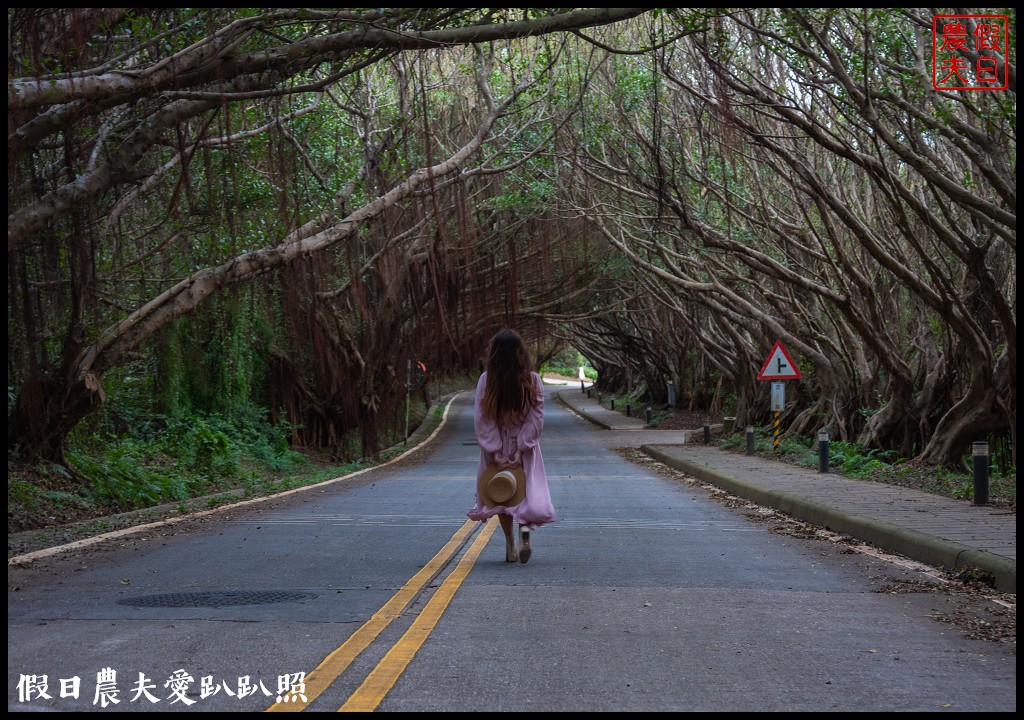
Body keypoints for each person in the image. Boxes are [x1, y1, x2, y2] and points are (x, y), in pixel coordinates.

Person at [467, 329, 557, 563]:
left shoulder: (487, 380)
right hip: (524, 447)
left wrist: (495, 450)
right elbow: (536, 417)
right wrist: (521, 448)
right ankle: (524, 531)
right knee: (525, 492)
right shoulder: (532, 379)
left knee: (500, 495)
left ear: (494, 354)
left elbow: (482, 418)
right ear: (520, 353)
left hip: (494, 445)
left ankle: (509, 544)